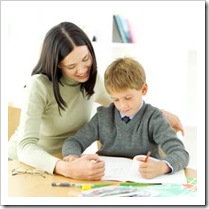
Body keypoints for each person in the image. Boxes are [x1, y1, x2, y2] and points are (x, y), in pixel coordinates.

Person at [8, 22, 184, 180]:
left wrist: (160, 114)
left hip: (67, 162)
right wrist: (67, 167)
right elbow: (25, 147)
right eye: (71, 66)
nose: (83, 70)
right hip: (26, 165)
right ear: (57, 64)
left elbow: (124, 104)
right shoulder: (39, 85)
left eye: (86, 59)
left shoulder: (94, 81)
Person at [62, 57, 189, 179]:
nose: (122, 105)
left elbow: (181, 153)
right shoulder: (103, 116)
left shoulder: (154, 118)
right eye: (116, 99)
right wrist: (73, 157)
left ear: (143, 89)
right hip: (105, 181)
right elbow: (74, 142)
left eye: (128, 98)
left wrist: (162, 167)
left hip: (144, 183)